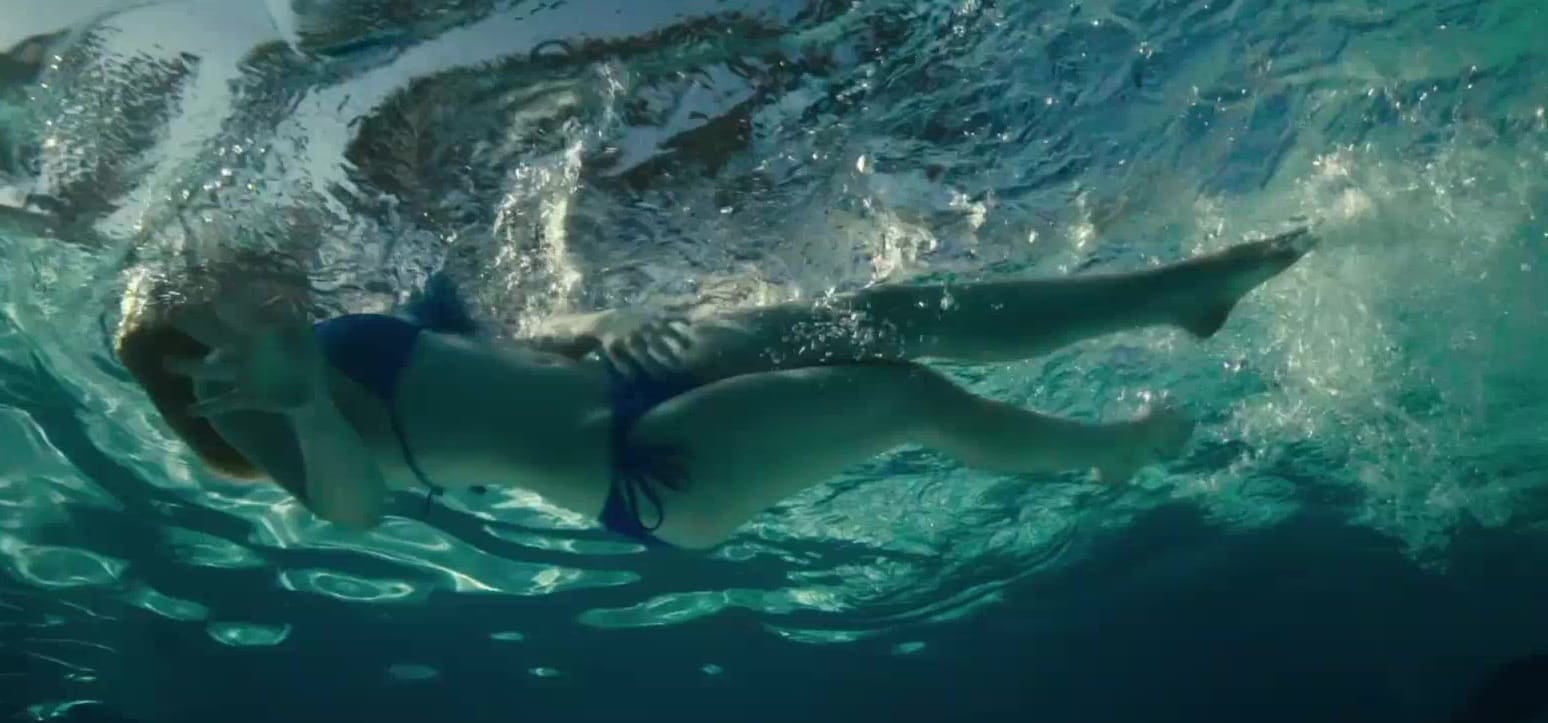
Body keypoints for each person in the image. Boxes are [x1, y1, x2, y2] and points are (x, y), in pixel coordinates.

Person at [114, 228, 1315, 549]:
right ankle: (1107, 453)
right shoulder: (265, 415)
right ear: (194, 352)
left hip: (630, 373)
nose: (238, 276)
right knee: (904, 393)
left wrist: (591, 323)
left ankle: (1176, 292)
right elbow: (353, 511)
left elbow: (487, 355)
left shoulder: (326, 336)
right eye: (209, 289)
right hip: (642, 472)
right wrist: (301, 404)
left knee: (889, 312)